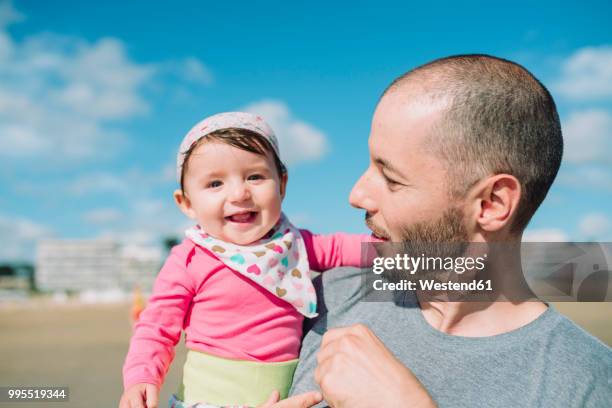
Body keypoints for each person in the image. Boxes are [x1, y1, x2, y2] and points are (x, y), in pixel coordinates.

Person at [287, 55, 612, 407]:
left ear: (491, 203)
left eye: (391, 178)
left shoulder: (587, 386)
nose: (357, 195)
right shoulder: (325, 297)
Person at [119, 112, 372, 408]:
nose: (239, 193)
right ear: (186, 203)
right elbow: (156, 327)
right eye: (215, 184)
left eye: (255, 176)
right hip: (208, 400)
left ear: (282, 184)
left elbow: (346, 248)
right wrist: (141, 377)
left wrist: (413, 253)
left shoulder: (295, 244)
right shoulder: (190, 258)